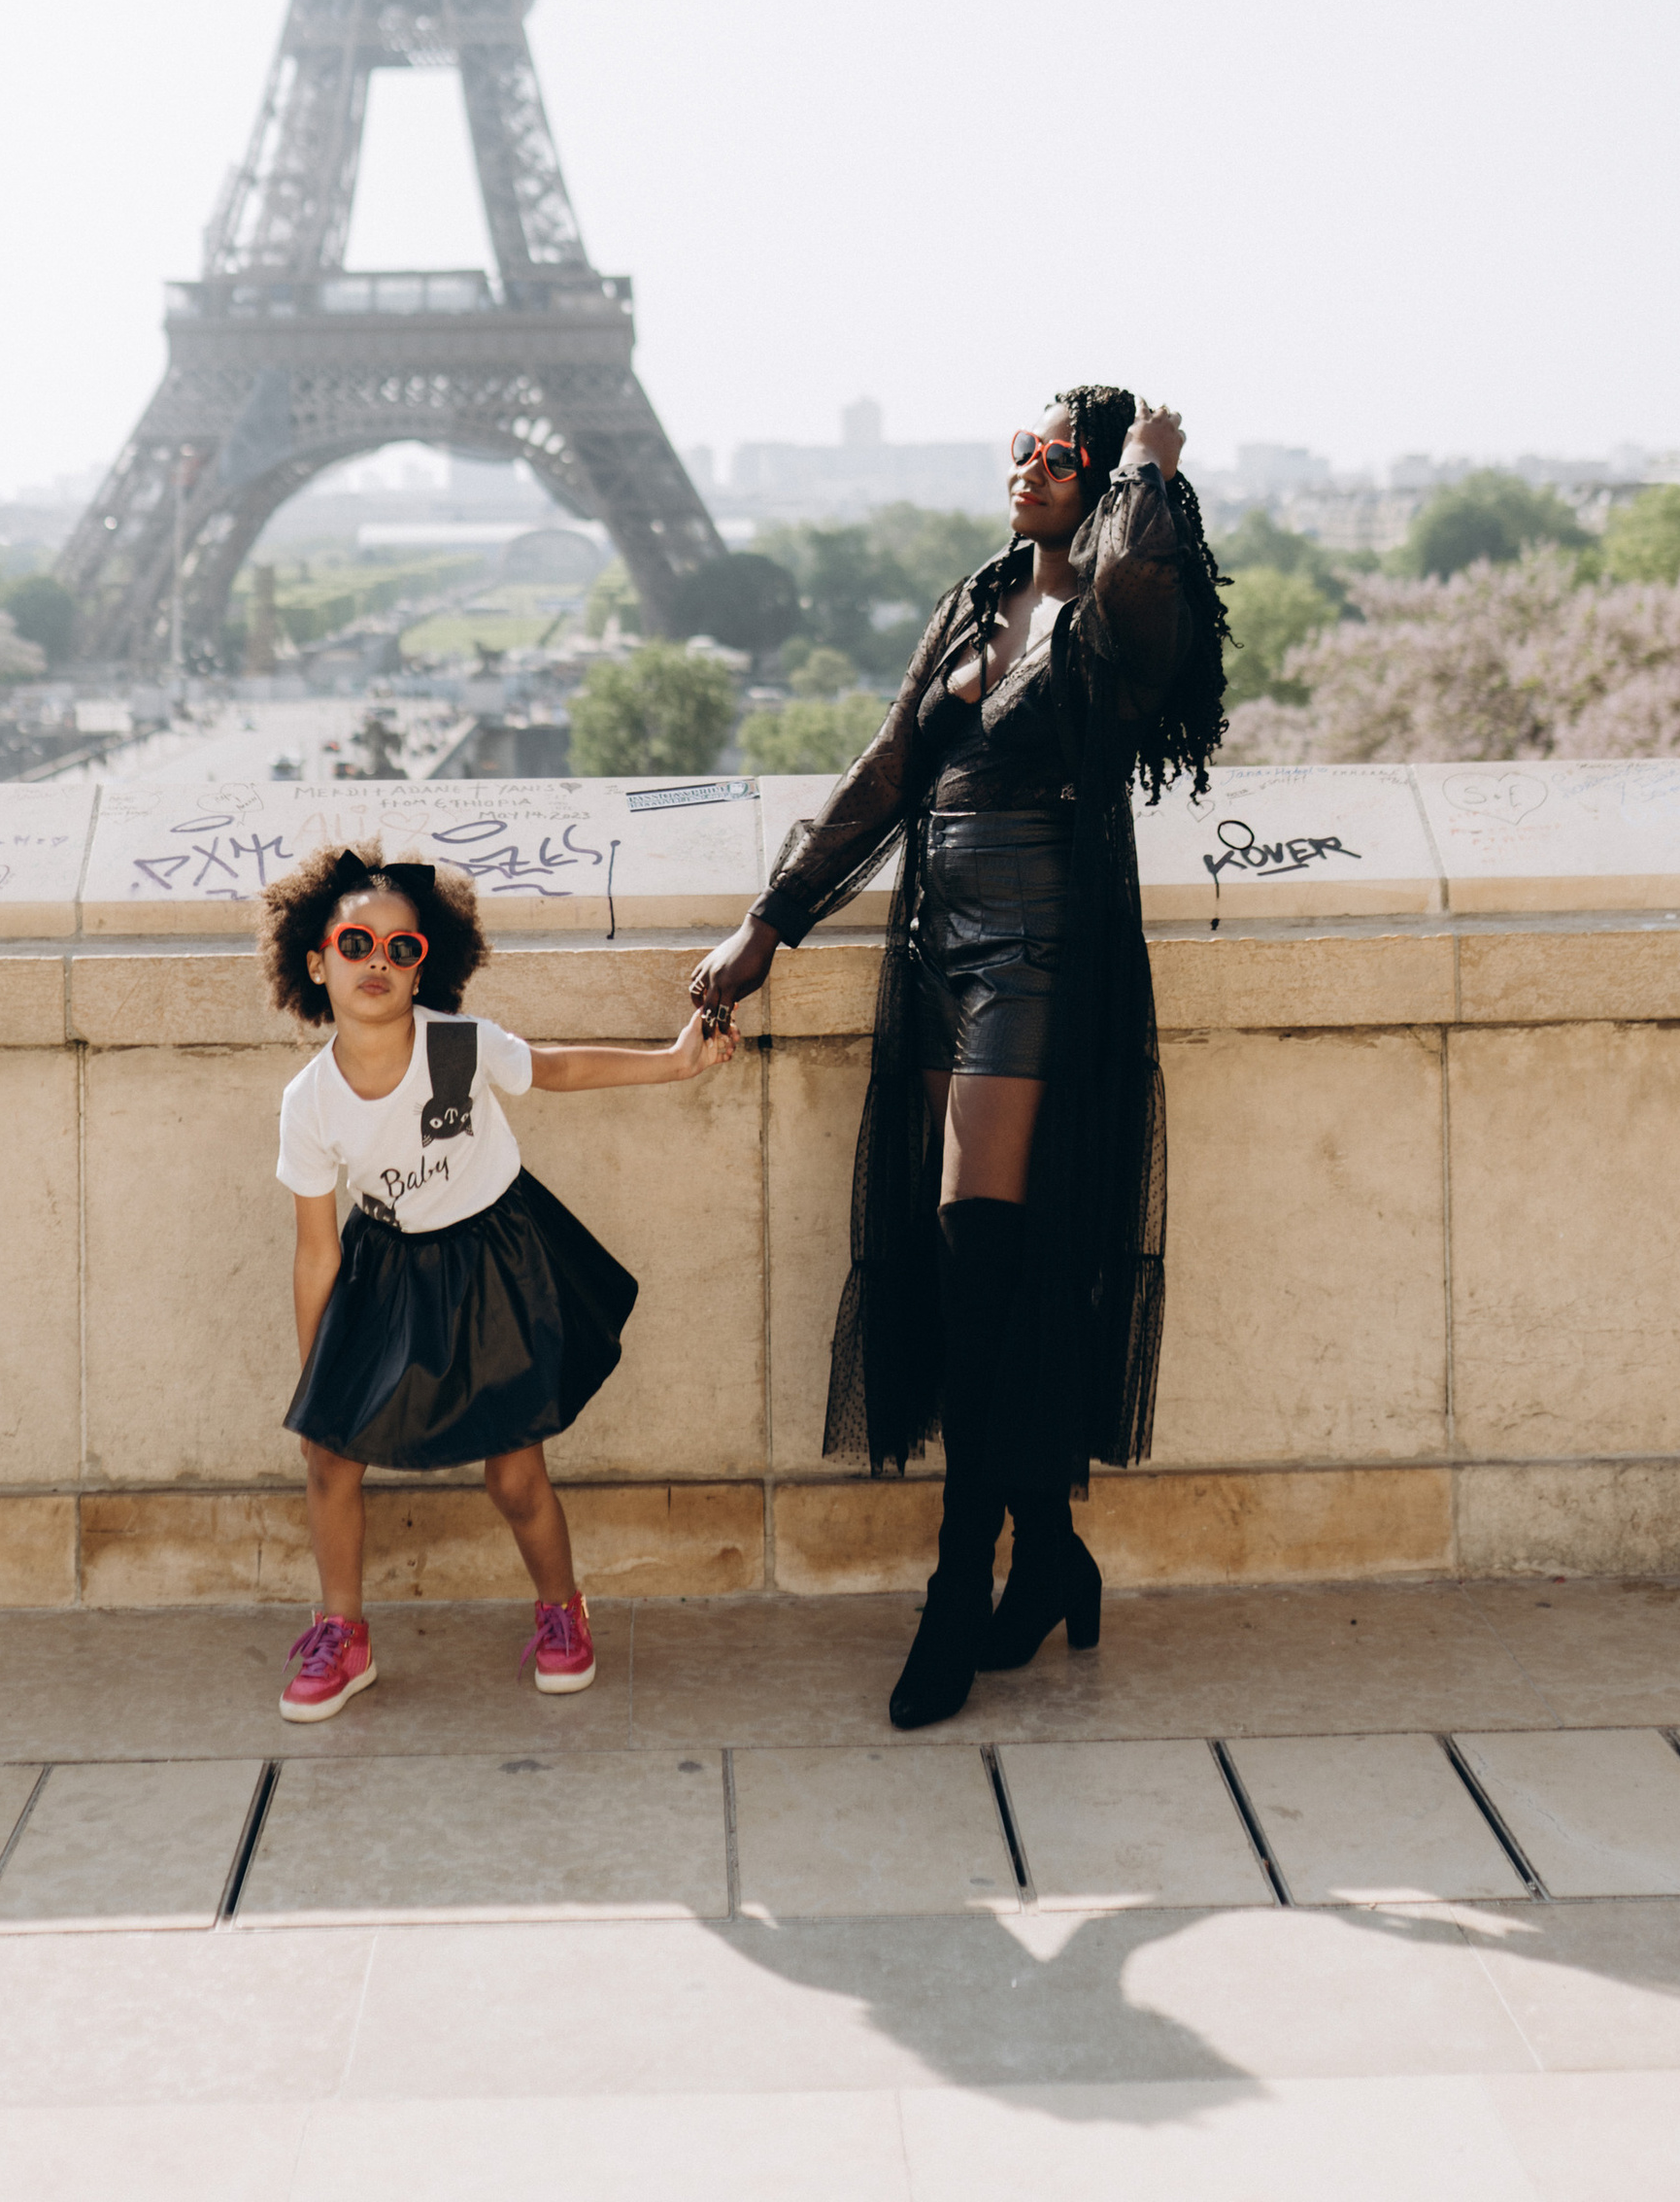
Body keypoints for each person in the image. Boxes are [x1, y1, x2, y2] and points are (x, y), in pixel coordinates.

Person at [692, 387, 1227, 1730]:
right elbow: (887, 770)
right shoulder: (976, 595)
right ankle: (1048, 1555)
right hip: (937, 945)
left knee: (982, 1251)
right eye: (1021, 450)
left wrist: (1155, 469)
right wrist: (769, 925)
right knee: (966, 1277)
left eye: (1061, 457)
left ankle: (957, 1590)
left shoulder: (1119, 613)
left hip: (1043, 953)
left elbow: (1151, 585)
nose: (1027, 470)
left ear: (1103, 485)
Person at [263, 839, 737, 1724]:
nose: (378, 961)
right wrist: (316, 1375)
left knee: (515, 1473)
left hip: (493, 1260)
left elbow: (554, 1068)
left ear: (423, 966)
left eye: (401, 949)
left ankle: (563, 1614)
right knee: (328, 1458)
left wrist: (677, 1062)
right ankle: (343, 1632)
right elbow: (317, 1250)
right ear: (316, 962)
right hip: (386, 1271)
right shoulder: (309, 1101)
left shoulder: (458, 1048)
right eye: (356, 945)